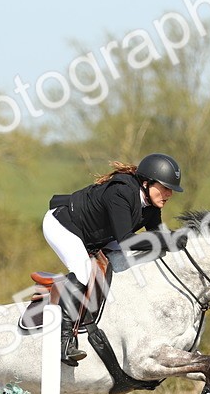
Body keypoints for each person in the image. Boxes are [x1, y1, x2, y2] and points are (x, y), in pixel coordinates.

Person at [42, 153, 185, 366]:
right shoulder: (121, 192)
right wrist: (168, 239)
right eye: (165, 188)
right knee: (83, 272)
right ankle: (63, 341)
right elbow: (127, 240)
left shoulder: (151, 205)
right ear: (146, 183)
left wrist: (177, 240)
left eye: (170, 190)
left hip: (98, 235)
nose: (169, 194)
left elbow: (156, 237)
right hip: (63, 225)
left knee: (130, 263)